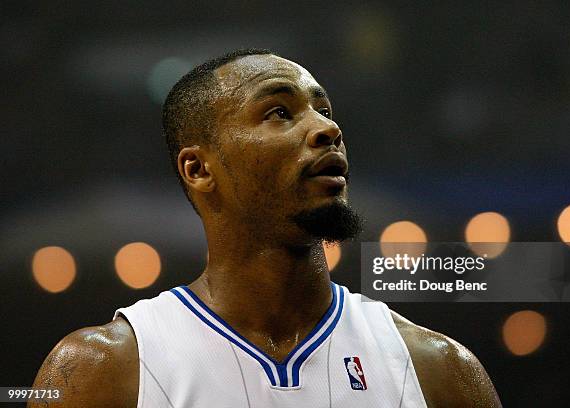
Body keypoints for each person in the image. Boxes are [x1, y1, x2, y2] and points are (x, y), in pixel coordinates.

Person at [30, 49, 502, 407]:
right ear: (198, 169)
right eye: (279, 112)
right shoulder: (103, 371)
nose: (326, 129)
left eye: (325, 111)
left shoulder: (436, 369)